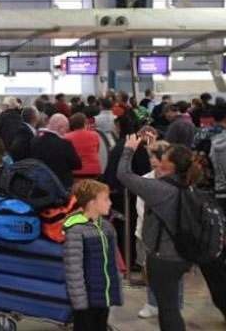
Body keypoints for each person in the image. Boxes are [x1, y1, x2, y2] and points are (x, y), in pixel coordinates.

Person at [117, 135, 196, 331]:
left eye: (163, 157)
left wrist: (128, 149)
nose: (158, 160)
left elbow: (124, 175)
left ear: (169, 165)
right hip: (182, 253)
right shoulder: (186, 184)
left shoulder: (160, 190)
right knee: (170, 306)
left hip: (164, 257)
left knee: (168, 310)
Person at [63, 179, 123, 331]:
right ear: (91, 203)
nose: (110, 203)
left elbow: (112, 264)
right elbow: (73, 268)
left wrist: (115, 290)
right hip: (86, 299)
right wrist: (79, 300)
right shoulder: (76, 229)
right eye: (105, 199)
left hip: (103, 295)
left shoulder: (107, 227)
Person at [31, 113, 82, 188]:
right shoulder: (65, 144)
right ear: (59, 128)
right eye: (66, 128)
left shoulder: (35, 140)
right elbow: (77, 165)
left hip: (40, 183)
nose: (66, 132)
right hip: (62, 185)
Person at [66, 113, 102, 179]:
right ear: (85, 123)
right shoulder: (95, 135)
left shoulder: (67, 137)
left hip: (76, 172)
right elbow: (97, 150)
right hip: (93, 170)